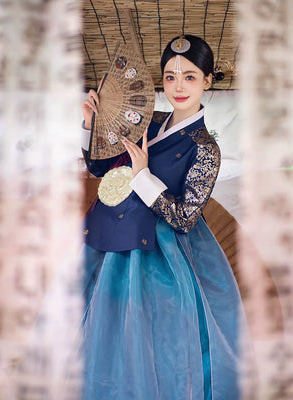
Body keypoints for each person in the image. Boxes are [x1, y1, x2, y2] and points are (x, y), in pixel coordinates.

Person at [80, 35, 244, 400]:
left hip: (160, 253)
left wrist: (143, 177)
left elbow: (185, 217)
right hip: (110, 239)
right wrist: (91, 124)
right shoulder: (147, 121)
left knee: (155, 342)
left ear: (207, 80)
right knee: (104, 334)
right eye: (170, 77)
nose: (178, 86)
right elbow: (100, 167)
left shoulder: (205, 148)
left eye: (189, 77)